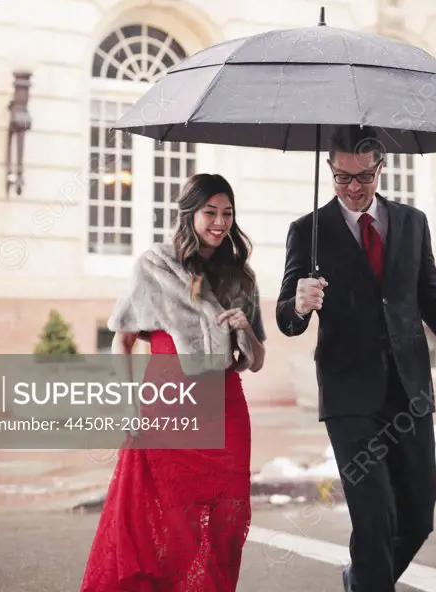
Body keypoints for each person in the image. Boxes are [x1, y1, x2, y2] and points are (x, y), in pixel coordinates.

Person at [276, 126, 436, 592]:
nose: (353, 188)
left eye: (363, 177)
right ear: (329, 169)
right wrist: (299, 304)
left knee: (417, 516)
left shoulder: (412, 223)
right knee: (374, 520)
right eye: (341, 178)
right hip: (349, 396)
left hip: (408, 391)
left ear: (381, 167)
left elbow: (432, 297)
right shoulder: (307, 232)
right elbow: (285, 320)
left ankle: (361, 583)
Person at [80, 173, 265, 592]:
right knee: (164, 524)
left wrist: (246, 328)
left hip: (225, 410)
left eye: (227, 213)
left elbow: (255, 362)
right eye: (210, 212)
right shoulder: (154, 266)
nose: (219, 222)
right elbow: (122, 342)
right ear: (189, 214)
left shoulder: (240, 277)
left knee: (226, 526)